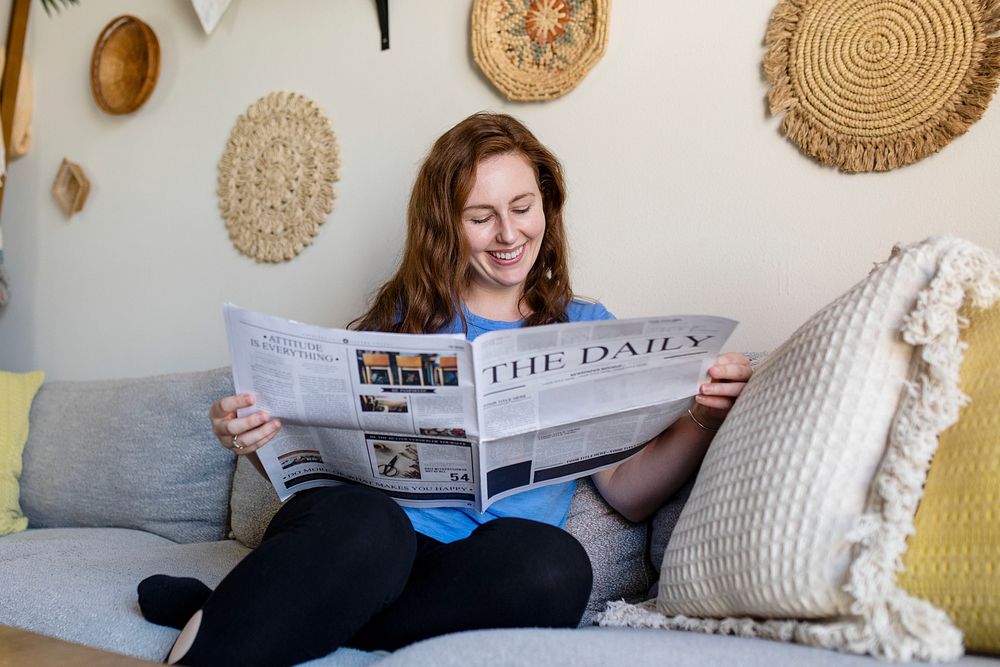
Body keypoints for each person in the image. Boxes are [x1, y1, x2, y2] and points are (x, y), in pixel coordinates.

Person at [138, 112, 752, 666]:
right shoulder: (405, 318)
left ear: (548, 206)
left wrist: (703, 415)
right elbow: (313, 471)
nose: (508, 234)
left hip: (463, 570)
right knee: (374, 531)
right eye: (481, 217)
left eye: (522, 207)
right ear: (447, 225)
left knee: (556, 567)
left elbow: (628, 494)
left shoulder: (586, 328)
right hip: (358, 539)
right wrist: (254, 442)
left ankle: (250, 607)